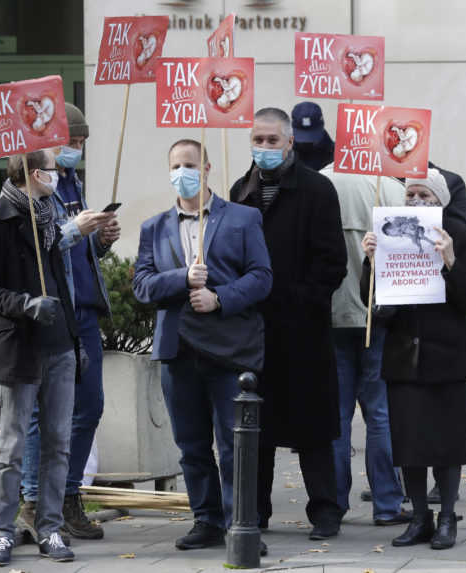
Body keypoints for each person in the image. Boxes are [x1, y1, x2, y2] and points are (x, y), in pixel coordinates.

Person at [133, 140, 272, 552]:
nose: (183, 172)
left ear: (207, 167)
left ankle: (240, 524)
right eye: (176, 165)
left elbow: (262, 276)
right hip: (178, 351)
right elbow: (142, 286)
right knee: (191, 445)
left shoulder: (243, 219)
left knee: (233, 446)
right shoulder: (153, 228)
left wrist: (220, 297)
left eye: (190, 164)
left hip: (228, 349)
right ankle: (205, 519)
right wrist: (181, 279)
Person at [230, 107, 347, 540]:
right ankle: (255, 512)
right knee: (255, 426)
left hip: (303, 329)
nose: (263, 149)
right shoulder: (240, 190)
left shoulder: (317, 189)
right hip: (253, 331)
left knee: (312, 428)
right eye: (257, 140)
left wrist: (300, 299)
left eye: (272, 141)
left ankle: (326, 510)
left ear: (290, 142)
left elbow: (332, 263)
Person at [360, 168, 466, 550]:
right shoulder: (391, 232)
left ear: (440, 201)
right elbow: (373, 305)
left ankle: (447, 517)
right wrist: (372, 262)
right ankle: (419, 517)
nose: (416, 202)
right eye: (411, 195)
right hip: (403, 355)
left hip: (446, 354)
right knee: (409, 444)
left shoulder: (457, 235)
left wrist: (449, 261)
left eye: (425, 196)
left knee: (446, 443)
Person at [18, 103, 119, 541]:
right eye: (69, 143)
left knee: (89, 406)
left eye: (80, 144)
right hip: (53, 313)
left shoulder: (73, 182)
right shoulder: (33, 187)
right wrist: (76, 230)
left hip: (84, 313)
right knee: (47, 411)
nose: (75, 151)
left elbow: (75, 254)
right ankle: (33, 498)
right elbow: (37, 246)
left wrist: (99, 242)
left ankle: (68, 492)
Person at [0, 148, 79, 566]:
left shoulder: (50, 218)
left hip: (60, 347)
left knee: (58, 444)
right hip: (19, 348)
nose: (59, 175)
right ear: (36, 173)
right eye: (53, 169)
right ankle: (2, 531)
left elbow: (62, 281)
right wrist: (25, 304)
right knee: (11, 445)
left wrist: (75, 339)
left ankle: (50, 528)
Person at [319, 166, 410, 526]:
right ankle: (387, 504)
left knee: (337, 419)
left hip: (333, 314)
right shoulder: (390, 188)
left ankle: (335, 502)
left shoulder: (321, 183)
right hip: (379, 315)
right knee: (381, 415)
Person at [291, 101, 335, 171]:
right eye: (302, 135)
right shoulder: (283, 153)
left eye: (312, 136)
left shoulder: (336, 154)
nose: (307, 142)